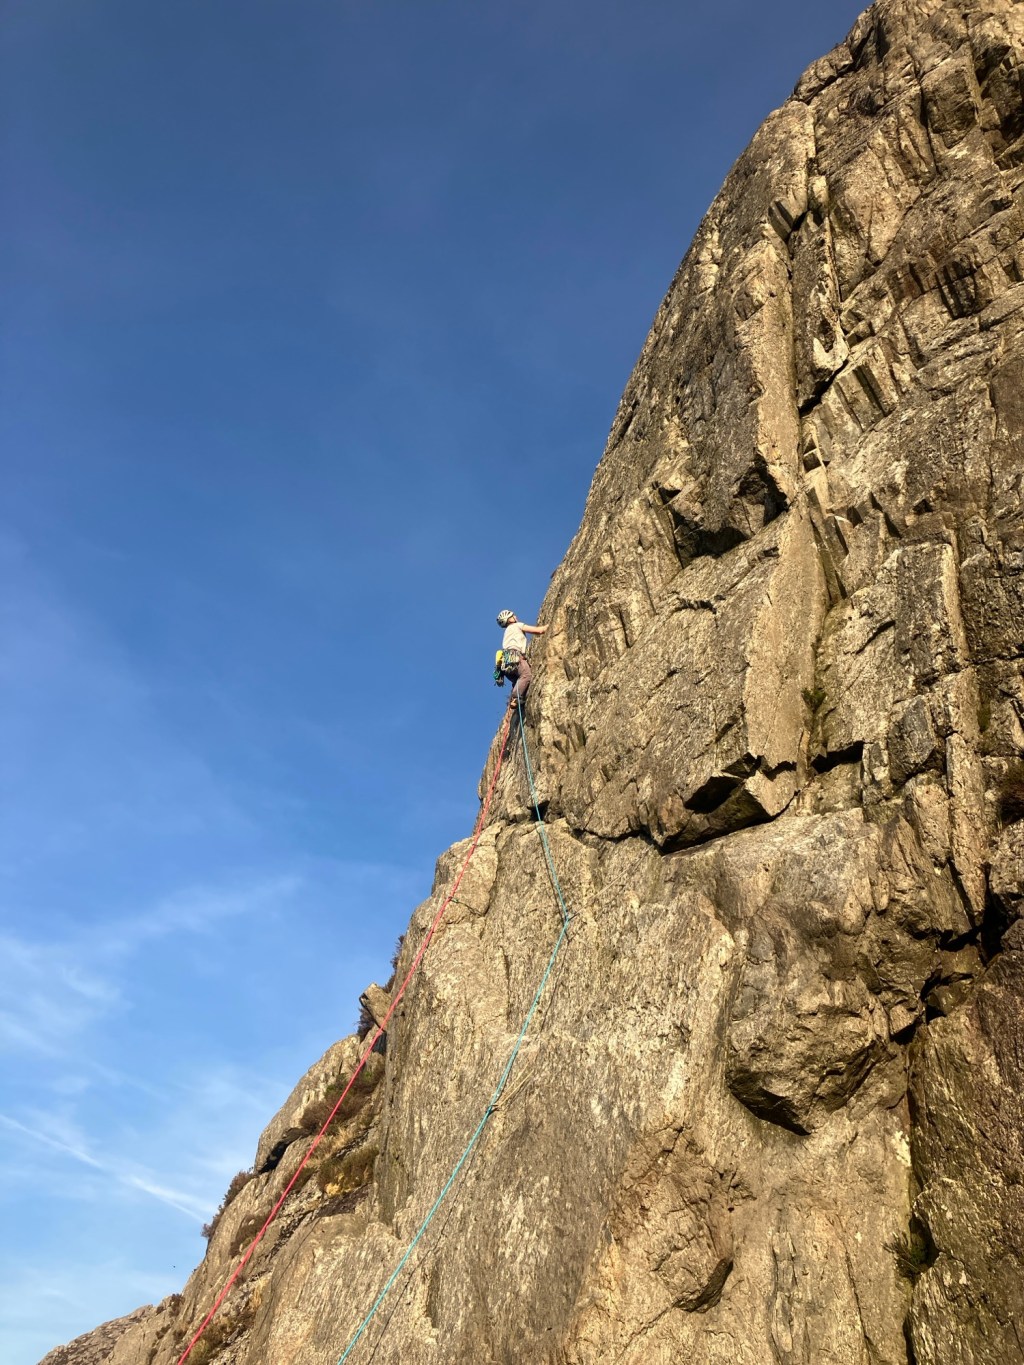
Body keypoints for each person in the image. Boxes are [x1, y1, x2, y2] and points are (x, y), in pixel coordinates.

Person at [496, 609, 547, 711]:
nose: (515, 616)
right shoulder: (517, 625)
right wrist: (548, 627)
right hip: (515, 659)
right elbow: (538, 631)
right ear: (509, 619)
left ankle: (519, 699)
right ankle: (515, 698)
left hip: (506, 666)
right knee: (526, 675)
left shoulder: (507, 632)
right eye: (512, 615)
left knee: (518, 680)